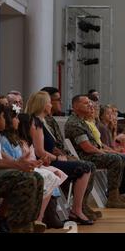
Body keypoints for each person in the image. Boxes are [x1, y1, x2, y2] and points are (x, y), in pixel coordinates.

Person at [25, 91, 94, 225]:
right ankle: (76, 210)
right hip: (45, 162)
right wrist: (57, 159)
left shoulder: (42, 122)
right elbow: (40, 151)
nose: (51, 105)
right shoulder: (36, 123)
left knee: (87, 166)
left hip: (51, 159)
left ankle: (77, 208)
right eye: (49, 103)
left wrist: (60, 156)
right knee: (85, 168)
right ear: (43, 105)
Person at [41, 87, 101, 220]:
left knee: (88, 166)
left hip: (59, 156)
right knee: (87, 166)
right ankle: (78, 208)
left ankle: (80, 206)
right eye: (57, 100)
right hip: (52, 159)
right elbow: (50, 148)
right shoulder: (43, 121)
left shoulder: (50, 119)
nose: (60, 102)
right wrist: (64, 156)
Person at [64, 95, 125, 208]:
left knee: (118, 158)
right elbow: (87, 147)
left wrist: (105, 151)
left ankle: (114, 194)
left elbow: (93, 144)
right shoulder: (74, 123)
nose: (90, 105)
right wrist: (103, 153)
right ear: (75, 106)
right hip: (85, 156)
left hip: (90, 153)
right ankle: (112, 198)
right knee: (115, 159)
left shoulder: (81, 121)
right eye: (86, 103)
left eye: (90, 103)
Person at [0, 102, 44, 233]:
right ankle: (17, 225)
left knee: (37, 177)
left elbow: (1, 155)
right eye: (2, 116)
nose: (5, 119)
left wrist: (21, 163)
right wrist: (18, 165)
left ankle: (29, 221)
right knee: (26, 180)